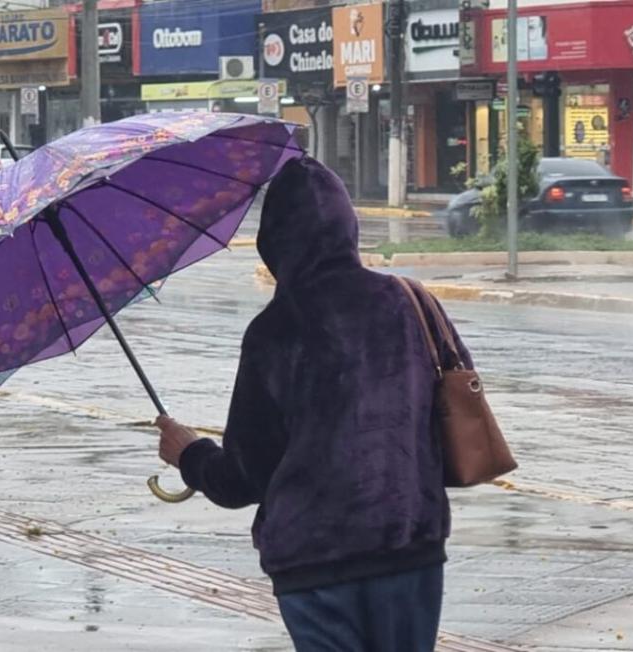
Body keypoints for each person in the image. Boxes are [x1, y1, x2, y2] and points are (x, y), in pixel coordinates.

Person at [156, 155, 470, 652]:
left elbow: (244, 476)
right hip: (411, 549)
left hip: (315, 566)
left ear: (274, 240)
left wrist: (189, 454)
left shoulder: (274, 332)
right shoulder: (408, 303)